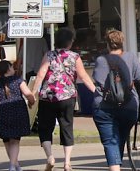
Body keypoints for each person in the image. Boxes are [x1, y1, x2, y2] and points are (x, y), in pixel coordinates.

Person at [92, 29, 140, 171]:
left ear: (107, 44)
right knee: (119, 139)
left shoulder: (101, 60)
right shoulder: (130, 58)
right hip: (128, 107)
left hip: (104, 108)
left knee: (110, 141)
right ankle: (115, 166)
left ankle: (114, 168)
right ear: (122, 43)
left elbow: (99, 83)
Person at [32, 27, 96, 171]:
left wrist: (33, 92)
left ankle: (50, 157)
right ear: (70, 42)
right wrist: (95, 92)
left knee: (45, 127)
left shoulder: (49, 55)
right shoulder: (75, 57)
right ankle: (67, 163)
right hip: (67, 97)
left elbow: (41, 74)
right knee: (66, 127)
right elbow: (84, 76)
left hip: (47, 97)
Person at [0, 60, 36, 171]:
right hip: (18, 111)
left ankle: (15, 165)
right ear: (9, 69)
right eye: (12, 67)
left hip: (2, 112)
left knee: (7, 140)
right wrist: (32, 102)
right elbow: (28, 94)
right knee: (15, 140)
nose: (14, 69)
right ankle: (12, 166)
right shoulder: (18, 80)